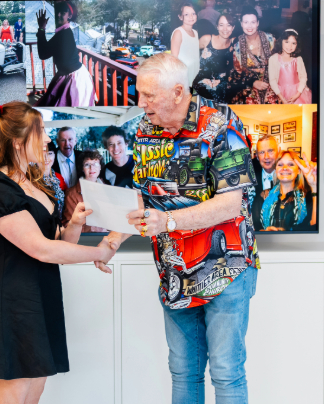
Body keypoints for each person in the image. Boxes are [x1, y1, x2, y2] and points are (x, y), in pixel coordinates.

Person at [96, 53, 260, 404]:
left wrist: (167, 221)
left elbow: (231, 203)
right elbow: (143, 197)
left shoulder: (222, 123)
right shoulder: (145, 129)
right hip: (175, 273)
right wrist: (112, 239)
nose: (141, 103)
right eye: (140, 94)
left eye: (149, 95)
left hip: (226, 269)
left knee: (226, 372)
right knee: (184, 371)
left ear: (177, 92)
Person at [0, 101, 117, 404]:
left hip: (39, 295)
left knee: (34, 392)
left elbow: (58, 240)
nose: (48, 139)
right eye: (41, 132)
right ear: (17, 141)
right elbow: (42, 249)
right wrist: (99, 252)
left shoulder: (35, 183)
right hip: (10, 299)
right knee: (14, 395)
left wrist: (74, 223)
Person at [35, 2, 96, 107]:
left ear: (69, 16)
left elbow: (43, 54)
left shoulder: (64, 34)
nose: (59, 15)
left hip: (75, 78)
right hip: (72, 74)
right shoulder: (64, 31)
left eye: (63, 13)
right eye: (57, 12)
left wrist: (41, 28)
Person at [228, 7, 279, 104]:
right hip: (248, 87)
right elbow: (235, 73)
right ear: (241, 24)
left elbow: (281, 62)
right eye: (246, 22)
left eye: (253, 22)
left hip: (273, 85)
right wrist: (253, 82)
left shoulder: (270, 39)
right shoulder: (237, 45)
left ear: (258, 23)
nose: (249, 26)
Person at [258, 151, 317, 231]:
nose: (285, 168)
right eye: (280, 164)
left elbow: (314, 226)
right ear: (276, 170)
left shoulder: (309, 197)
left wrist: (314, 186)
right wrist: (266, 232)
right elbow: (255, 228)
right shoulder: (264, 196)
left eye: (291, 164)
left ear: (299, 170)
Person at [193, 14, 236, 103]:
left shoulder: (234, 42)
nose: (225, 29)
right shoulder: (207, 39)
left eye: (228, 25)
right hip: (203, 82)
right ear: (217, 27)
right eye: (221, 25)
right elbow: (190, 52)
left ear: (233, 27)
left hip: (223, 82)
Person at [63, 150, 108, 233]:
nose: (92, 168)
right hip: (84, 238)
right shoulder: (71, 194)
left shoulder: (108, 190)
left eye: (95, 164)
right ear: (82, 168)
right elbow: (68, 225)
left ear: (100, 167)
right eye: (87, 165)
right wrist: (91, 228)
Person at [268, 29, 312, 104]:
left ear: (297, 45)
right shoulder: (273, 59)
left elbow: (303, 77)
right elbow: (272, 80)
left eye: (293, 43)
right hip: (279, 93)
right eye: (287, 42)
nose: (290, 46)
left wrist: (297, 94)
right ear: (281, 41)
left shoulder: (298, 59)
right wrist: (282, 98)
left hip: (297, 93)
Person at [250, 134, 280, 226]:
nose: (266, 157)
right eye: (262, 152)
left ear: (279, 151)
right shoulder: (249, 171)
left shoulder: (288, 171)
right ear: (257, 156)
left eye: (270, 151)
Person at [171, 2, 200, 86]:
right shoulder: (178, 32)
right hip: (182, 78)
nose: (191, 17)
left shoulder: (195, 32)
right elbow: (174, 59)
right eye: (186, 14)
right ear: (180, 17)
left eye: (193, 13)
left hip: (194, 74)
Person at [44, 142, 66, 220]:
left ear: (54, 155)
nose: (46, 158)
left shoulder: (58, 177)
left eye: (50, 153)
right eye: (41, 153)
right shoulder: (31, 180)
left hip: (60, 222)